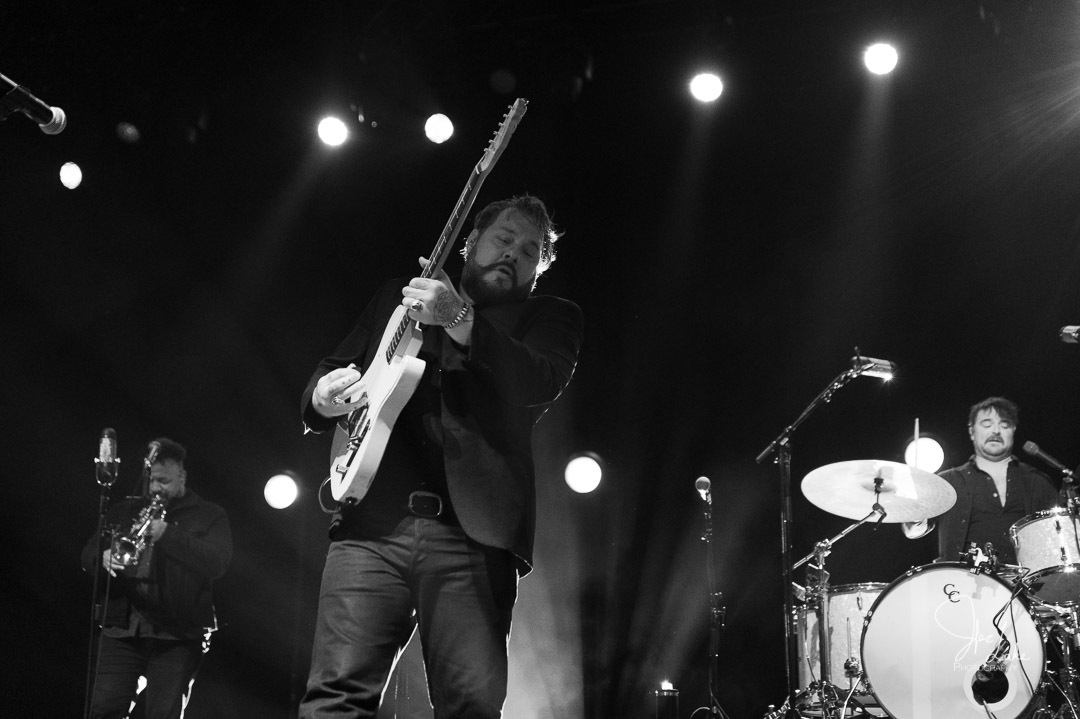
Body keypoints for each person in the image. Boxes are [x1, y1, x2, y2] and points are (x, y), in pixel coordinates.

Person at [298, 194, 584, 718]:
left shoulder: (550, 318)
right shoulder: (398, 296)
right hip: (371, 524)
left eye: (530, 252)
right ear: (470, 242)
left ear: (538, 271)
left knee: (469, 708)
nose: (512, 254)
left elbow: (539, 380)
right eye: (503, 239)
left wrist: (458, 317)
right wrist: (322, 395)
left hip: (473, 537)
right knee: (335, 698)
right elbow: (336, 366)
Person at [81, 437, 232, 719]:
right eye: (151, 480)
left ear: (182, 476)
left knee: (164, 714)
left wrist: (167, 534)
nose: (154, 488)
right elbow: (88, 552)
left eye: (163, 481)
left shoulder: (209, 514)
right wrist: (101, 557)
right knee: (104, 710)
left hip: (177, 634)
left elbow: (217, 563)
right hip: (122, 629)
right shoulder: (125, 510)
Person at [903, 396, 1061, 564]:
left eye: (1004, 425)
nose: (996, 431)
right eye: (987, 424)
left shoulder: (1038, 481)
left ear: (1013, 430)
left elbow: (1059, 539)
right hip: (961, 579)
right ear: (972, 432)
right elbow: (912, 530)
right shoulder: (947, 482)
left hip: (1027, 579)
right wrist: (915, 513)